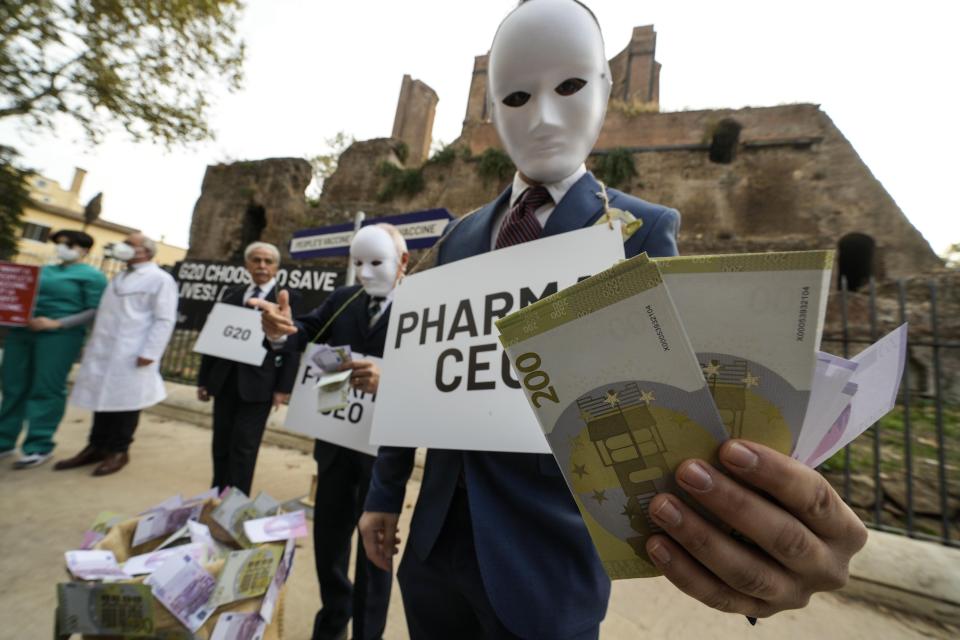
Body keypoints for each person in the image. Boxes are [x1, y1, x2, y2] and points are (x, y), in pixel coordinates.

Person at [357, 2, 868, 639]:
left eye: (568, 86)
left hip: (549, 558)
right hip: (434, 548)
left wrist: (739, 526)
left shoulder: (641, 230)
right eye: (516, 95)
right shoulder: (459, 239)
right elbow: (420, 377)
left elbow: (675, 399)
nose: (542, 116)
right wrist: (383, 494)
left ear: (605, 90)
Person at [252, 224, 406, 640]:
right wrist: (280, 331)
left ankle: (367, 632)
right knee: (329, 541)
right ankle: (333, 620)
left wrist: (389, 379)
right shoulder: (343, 299)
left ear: (403, 262)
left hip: (384, 454)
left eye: (377, 262)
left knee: (374, 547)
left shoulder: (422, 307)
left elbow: (433, 373)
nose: (364, 272)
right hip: (335, 445)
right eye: (357, 263)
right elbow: (305, 329)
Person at [55, 232, 178, 476]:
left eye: (129, 244)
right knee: (102, 400)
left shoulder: (159, 279)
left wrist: (150, 352)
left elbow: (164, 319)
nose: (123, 247)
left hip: (133, 352)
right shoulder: (120, 276)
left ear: (146, 251)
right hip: (106, 349)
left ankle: (119, 451)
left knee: (126, 404)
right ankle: (96, 446)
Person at [196, 241, 302, 495]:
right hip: (223, 382)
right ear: (247, 265)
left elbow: (293, 346)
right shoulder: (232, 294)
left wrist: (283, 388)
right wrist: (203, 380)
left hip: (259, 387)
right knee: (221, 442)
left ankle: (236, 502)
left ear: (276, 267)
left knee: (244, 446)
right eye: (256, 260)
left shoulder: (288, 299)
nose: (262, 266)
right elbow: (214, 338)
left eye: (268, 261)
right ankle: (216, 495)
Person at [0, 230, 107, 469]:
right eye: (59, 244)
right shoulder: (44, 271)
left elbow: (93, 310)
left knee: (46, 389)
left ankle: (39, 445)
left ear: (83, 249)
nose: (61, 248)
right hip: (22, 332)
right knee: (13, 385)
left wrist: (58, 323)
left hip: (59, 336)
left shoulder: (92, 276)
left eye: (67, 244)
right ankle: (4, 440)